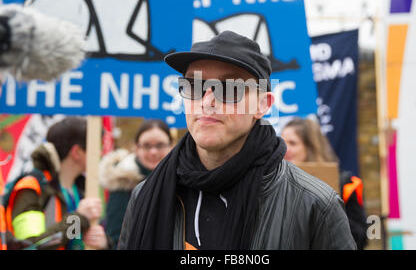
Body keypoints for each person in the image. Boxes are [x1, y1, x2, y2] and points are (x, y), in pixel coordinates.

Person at [117, 30, 356, 250]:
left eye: (229, 88)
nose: (207, 100)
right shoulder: (146, 195)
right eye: (194, 85)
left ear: (263, 105)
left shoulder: (314, 205)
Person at [3, 117, 108, 250]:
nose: (100, 154)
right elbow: (31, 246)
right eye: (96, 148)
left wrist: (104, 244)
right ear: (76, 152)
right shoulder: (31, 187)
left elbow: (72, 236)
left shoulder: (83, 190)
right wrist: (78, 219)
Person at [281, 117, 368, 249]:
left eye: (293, 143)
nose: (285, 148)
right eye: (282, 142)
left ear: (310, 147)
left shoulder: (346, 184)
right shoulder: (273, 182)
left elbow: (360, 237)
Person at [99, 119, 172, 249]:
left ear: (171, 146)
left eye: (160, 145)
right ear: (136, 148)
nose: (153, 152)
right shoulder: (123, 182)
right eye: (146, 145)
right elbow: (116, 238)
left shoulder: (184, 180)